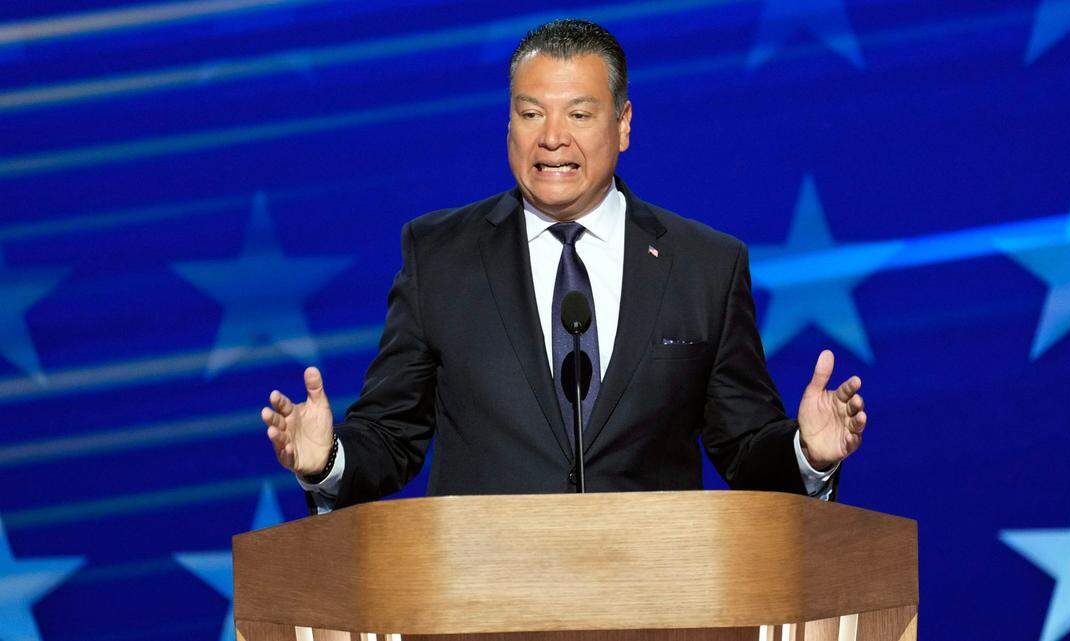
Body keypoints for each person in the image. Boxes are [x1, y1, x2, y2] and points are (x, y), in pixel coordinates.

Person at [261, 19, 867, 512]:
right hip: (480, 605)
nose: (552, 138)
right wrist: (326, 460)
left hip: (657, 603)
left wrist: (808, 455)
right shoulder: (440, 256)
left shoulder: (704, 264)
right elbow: (392, 437)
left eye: (579, 114)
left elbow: (743, 446)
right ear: (508, 124)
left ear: (623, 124)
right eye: (531, 114)